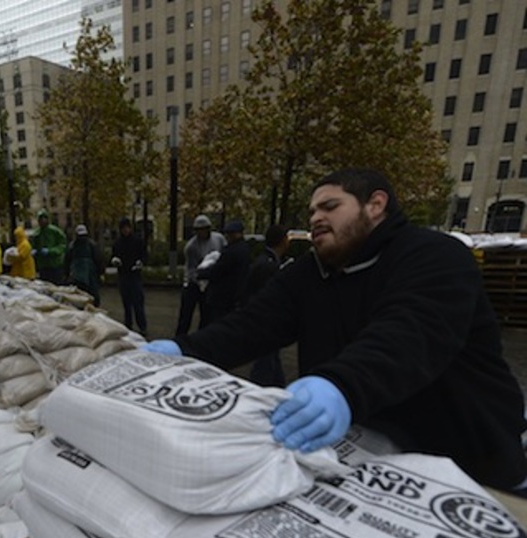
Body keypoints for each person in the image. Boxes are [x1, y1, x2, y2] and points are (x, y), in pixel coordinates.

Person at [144, 167, 527, 494]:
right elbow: (249, 326)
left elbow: (411, 332)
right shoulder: (307, 274)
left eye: (330, 207)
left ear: (375, 206)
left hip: (472, 458)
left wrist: (341, 386)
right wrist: (183, 350)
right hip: (373, 457)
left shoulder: (434, 255)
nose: (315, 218)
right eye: (311, 211)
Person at [242, 225, 292, 387]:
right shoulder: (269, 265)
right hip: (265, 322)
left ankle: (279, 387)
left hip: (263, 320)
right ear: (283, 241)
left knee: (270, 360)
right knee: (265, 362)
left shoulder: (265, 261)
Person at [175, 215, 226, 335]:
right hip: (194, 282)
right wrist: (198, 282)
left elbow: (224, 257)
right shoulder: (191, 247)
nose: (202, 232)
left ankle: (201, 338)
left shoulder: (219, 239)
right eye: (199, 230)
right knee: (186, 314)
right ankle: (180, 338)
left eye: (204, 229)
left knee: (207, 314)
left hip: (210, 281)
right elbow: (191, 268)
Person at [198, 219, 250, 327]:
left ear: (237, 234)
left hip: (223, 296)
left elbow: (218, 270)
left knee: (217, 323)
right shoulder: (244, 249)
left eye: (229, 234)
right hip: (235, 294)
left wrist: (201, 273)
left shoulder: (231, 252)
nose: (227, 237)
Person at [111, 217, 147, 335]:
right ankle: (128, 325)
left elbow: (144, 255)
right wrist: (115, 260)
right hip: (123, 275)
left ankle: (142, 326)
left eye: (127, 228)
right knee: (126, 303)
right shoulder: (118, 243)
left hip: (135, 275)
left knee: (138, 303)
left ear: (130, 228)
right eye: (123, 228)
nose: (125, 230)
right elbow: (113, 255)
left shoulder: (137, 241)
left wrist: (141, 262)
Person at [65, 224, 102, 306]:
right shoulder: (74, 246)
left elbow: (98, 259)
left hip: (88, 275)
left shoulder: (89, 245)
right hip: (78, 276)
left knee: (90, 296)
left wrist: (100, 273)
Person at [31, 209, 67, 284]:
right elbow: (33, 246)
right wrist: (33, 251)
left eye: (44, 218)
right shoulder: (36, 233)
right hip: (43, 265)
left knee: (56, 285)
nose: (42, 221)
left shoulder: (55, 231)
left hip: (55, 264)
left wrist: (51, 251)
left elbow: (62, 246)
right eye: (40, 219)